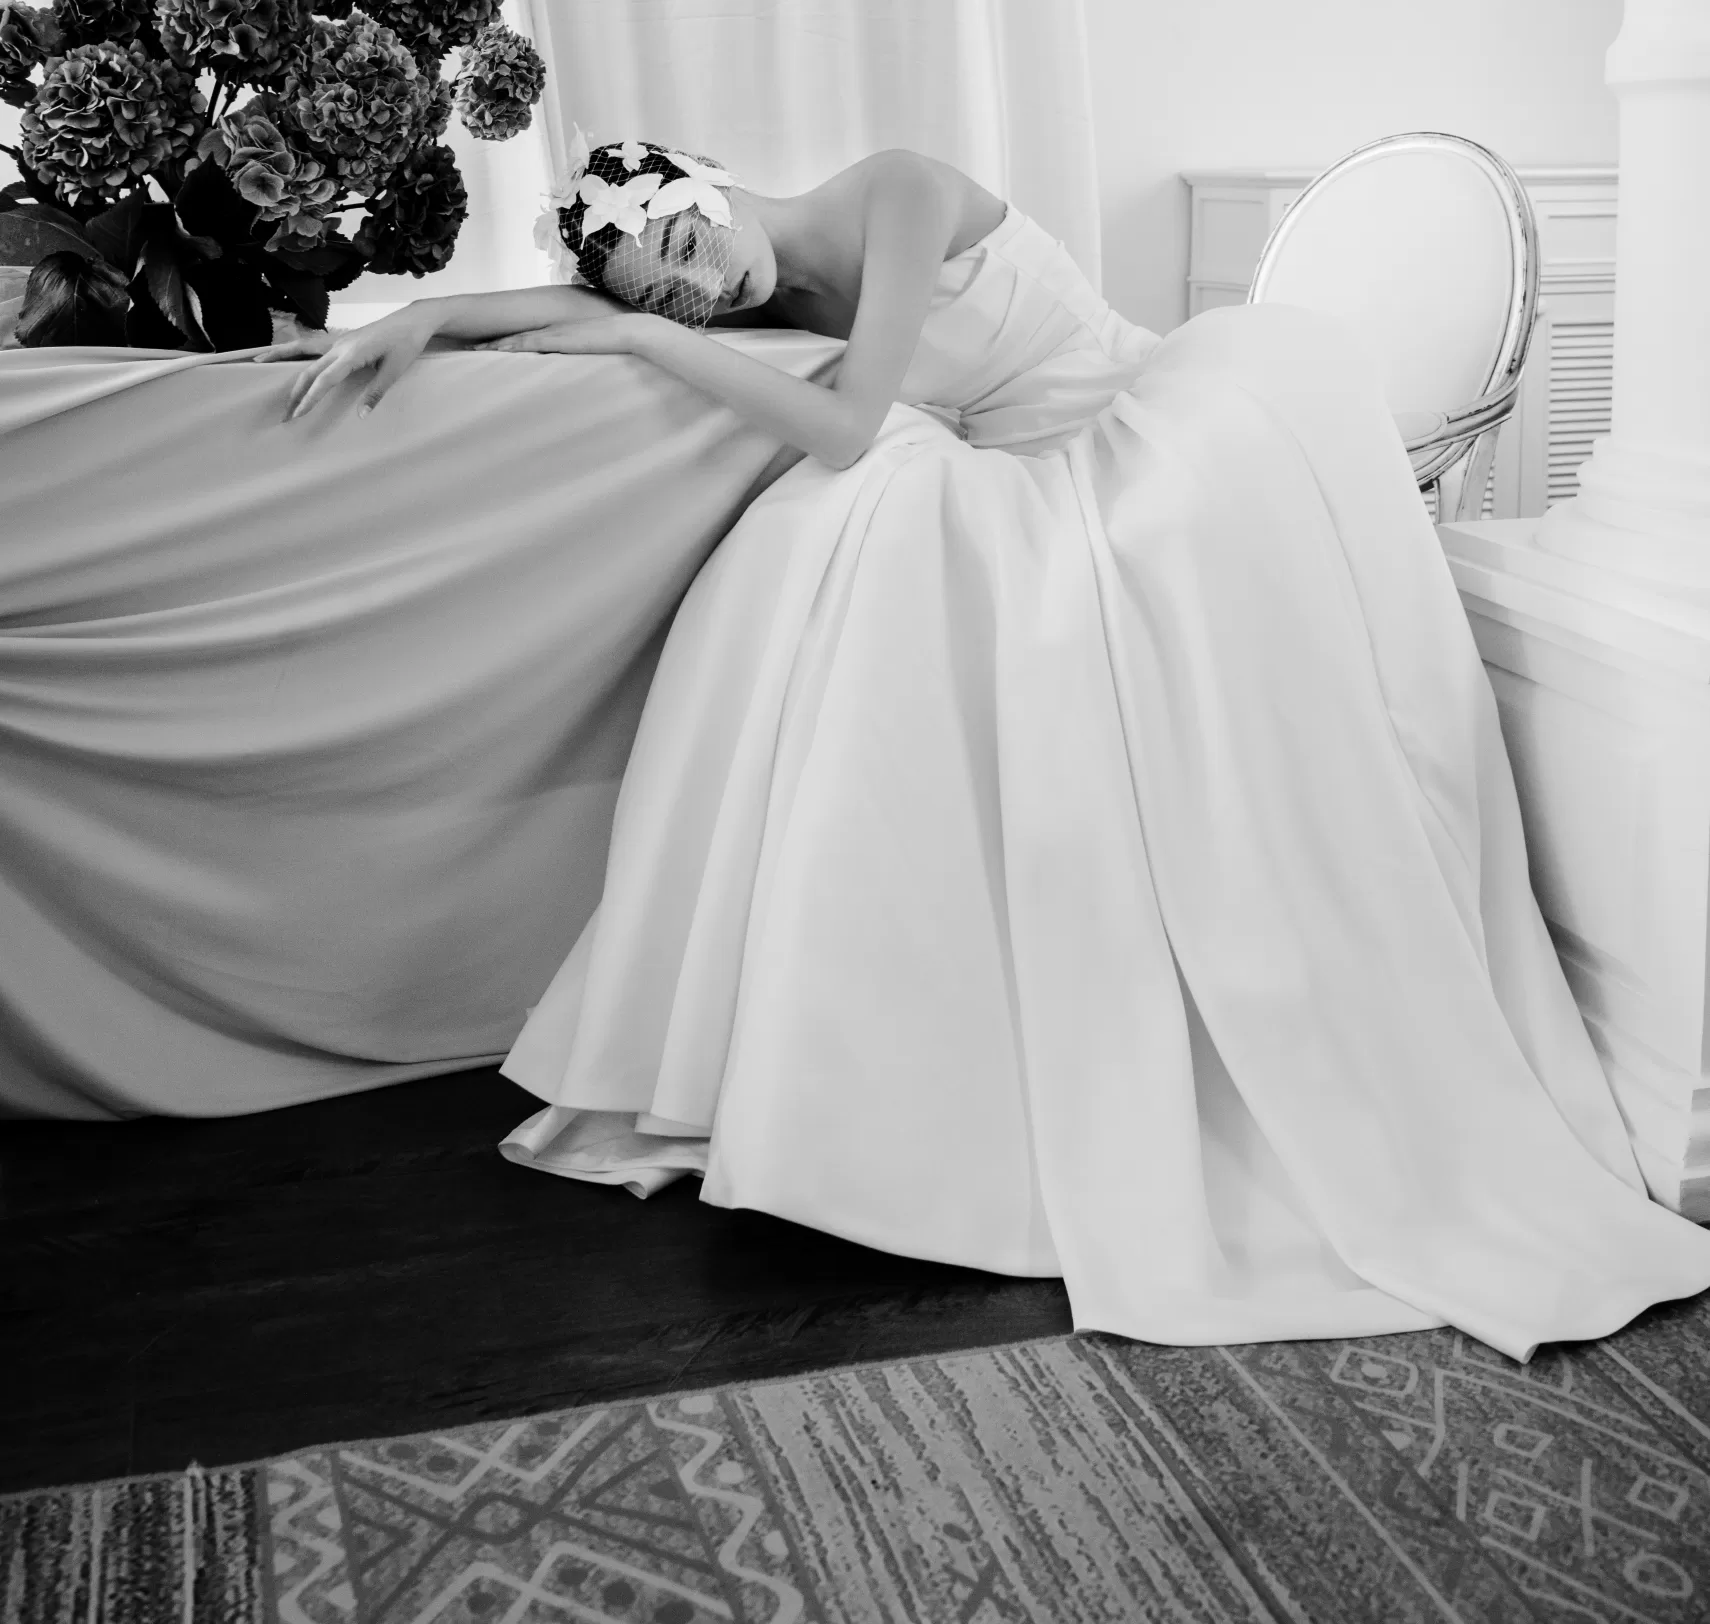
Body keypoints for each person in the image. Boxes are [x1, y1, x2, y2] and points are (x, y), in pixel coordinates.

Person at [268, 134, 1710, 1361]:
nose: (706, 292)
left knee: (865, 518)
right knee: (830, 558)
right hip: (1035, 478)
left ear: (701, 181)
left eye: (691, 251)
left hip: (1148, 439)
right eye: (671, 291)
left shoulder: (893, 191)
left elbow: (847, 422)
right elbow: (554, 301)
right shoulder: (706, 267)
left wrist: (648, 337)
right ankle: (863, 1057)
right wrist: (418, 323)